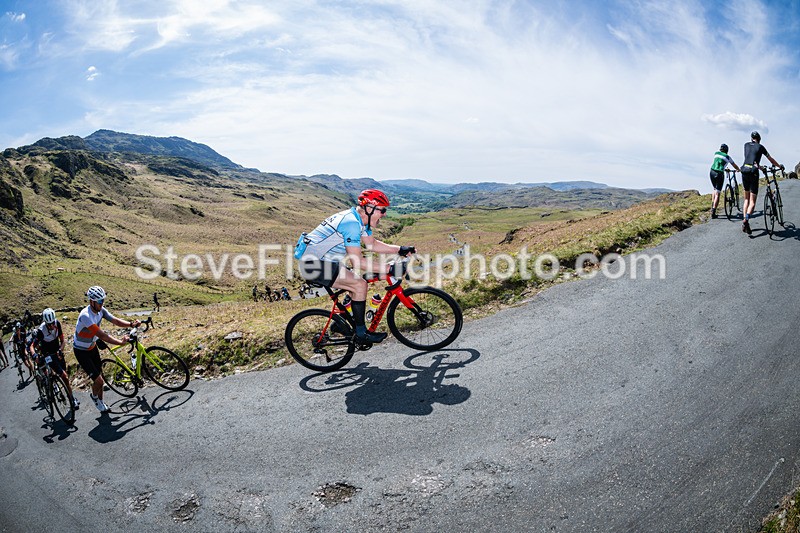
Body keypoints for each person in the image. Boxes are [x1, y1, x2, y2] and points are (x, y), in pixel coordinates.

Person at [297, 189, 415, 343]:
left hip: (325, 262)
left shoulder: (360, 221)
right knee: (359, 285)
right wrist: (390, 269)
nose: (384, 214)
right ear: (370, 207)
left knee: (357, 283)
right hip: (313, 264)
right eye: (383, 210)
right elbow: (358, 262)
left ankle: (341, 325)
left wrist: (399, 249)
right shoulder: (351, 223)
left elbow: (371, 244)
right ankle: (361, 334)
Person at [73, 286, 140, 413]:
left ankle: (101, 401)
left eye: (103, 300)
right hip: (81, 351)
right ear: (91, 301)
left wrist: (131, 324)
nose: (102, 303)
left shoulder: (100, 310)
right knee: (98, 381)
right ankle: (94, 397)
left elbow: (115, 320)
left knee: (100, 378)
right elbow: (102, 335)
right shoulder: (86, 316)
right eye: (99, 301)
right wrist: (120, 342)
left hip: (92, 347)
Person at [28, 308, 80, 410]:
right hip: (47, 355)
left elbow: (63, 341)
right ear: (45, 322)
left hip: (57, 352)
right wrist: (34, 356)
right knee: (63, 375)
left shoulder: (57, 324)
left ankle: (70, 396)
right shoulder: (41, 330)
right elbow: (31, 346)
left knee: (65, 377)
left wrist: (61, 349)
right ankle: (69, 398)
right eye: (49, 324)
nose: (51, 326)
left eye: (52, 323)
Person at [740, 131, 783, 235]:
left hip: (744, 170)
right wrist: (779, 166)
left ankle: (744, 222)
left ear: (751, 138)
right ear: (759, 139)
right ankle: (746, 220)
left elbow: (751, 159)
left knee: (746, 199)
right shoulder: (760, 147)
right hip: (753, 173)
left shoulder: (745, 145)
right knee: (752, 202)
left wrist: (759, 166)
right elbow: (771, 159)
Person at [709, 143, 741, 218]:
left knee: (714, 189)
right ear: (727, 150)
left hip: (712, 172)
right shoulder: (728, 157)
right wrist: (738, 169)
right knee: (718, 193)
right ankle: (713, 211)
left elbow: (719, 162)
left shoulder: (716, 153)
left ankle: (712, 205)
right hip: (719, 173)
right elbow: (734, 165)